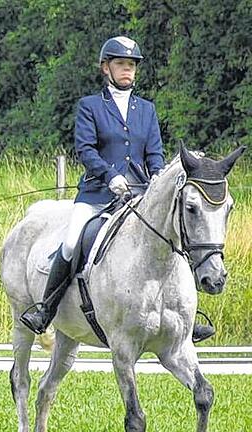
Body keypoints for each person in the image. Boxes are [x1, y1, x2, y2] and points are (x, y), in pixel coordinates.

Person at [19, 36, 215, 342]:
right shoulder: (90, 106)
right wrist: (110, 176)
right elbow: (86, 150)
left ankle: (186, 320)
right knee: (72, 242)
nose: (128, 71)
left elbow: (153, 151)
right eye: (121, 64)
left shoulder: (146, 109)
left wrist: (155, 178)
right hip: (97, 194)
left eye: (132, 65)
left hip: (138, 196)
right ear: (106, 68)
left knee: (176, 236)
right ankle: (46, 309)